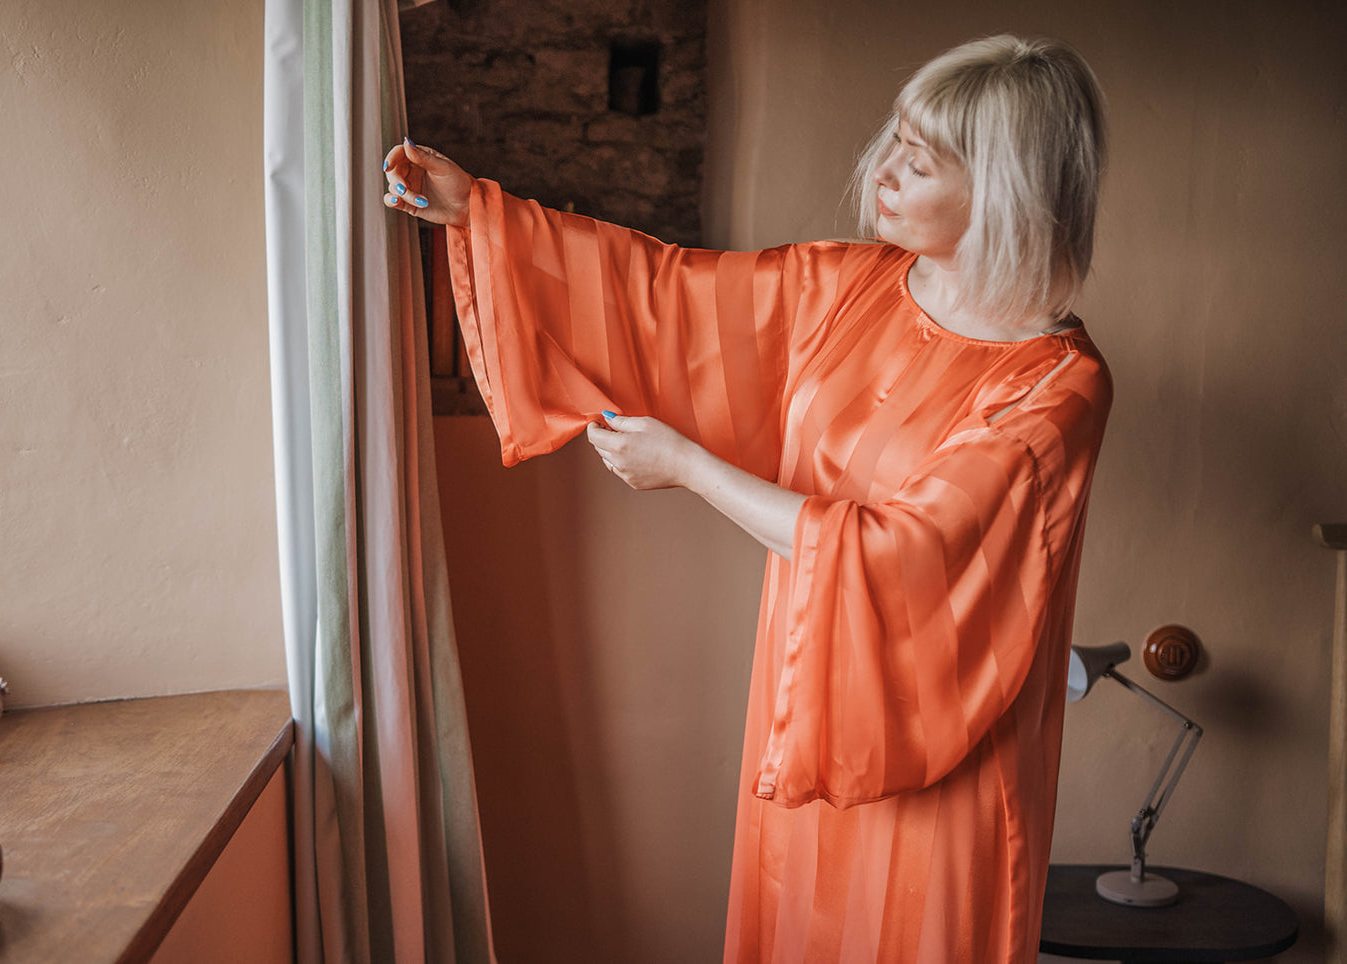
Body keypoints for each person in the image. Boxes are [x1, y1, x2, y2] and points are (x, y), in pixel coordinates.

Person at [386, 33, 1111, 963]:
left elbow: (906, 555)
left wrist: (687, 468)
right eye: (892, 138)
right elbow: (661, 297)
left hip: (946, 757)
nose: (882, 171)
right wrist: (477, 213)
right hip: (808, 707)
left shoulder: (1053, 389)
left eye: (918, 161)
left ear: (1003, 191)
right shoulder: (853, 289)